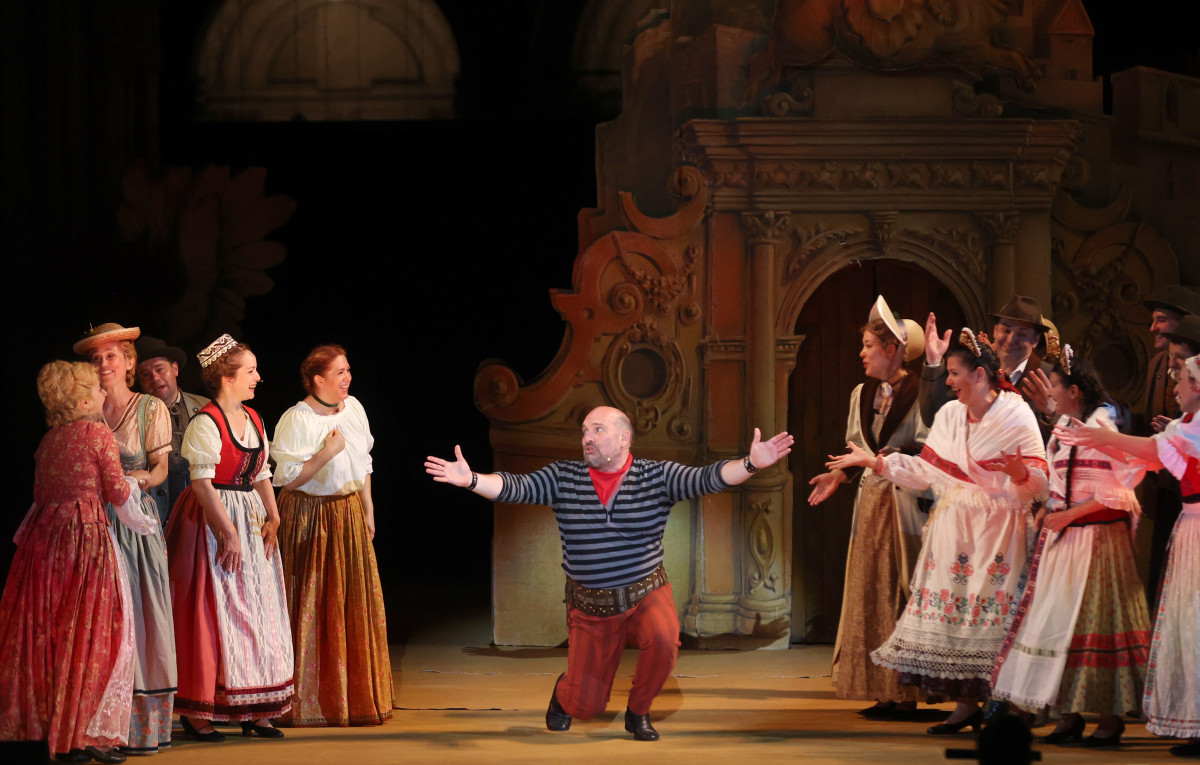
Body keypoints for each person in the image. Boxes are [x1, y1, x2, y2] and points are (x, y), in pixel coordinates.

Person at [425, 406, 793, 741]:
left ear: (624, 438)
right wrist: (472, 480)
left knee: (664, 640)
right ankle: (565, 694)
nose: (587, 437)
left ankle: (638, 711)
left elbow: (707, 478)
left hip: (646, 590)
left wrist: (751, 464)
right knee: (585, 706)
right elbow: (514, 487)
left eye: (598, 429)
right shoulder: (564, 477)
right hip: (592, 605)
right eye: (584, 431)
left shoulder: (656, 476)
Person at [828, 329, 1047, 735]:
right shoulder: (949, 416)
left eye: (954, 373)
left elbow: (1039, 481)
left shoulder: (1015, 413)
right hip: (955, 528)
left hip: (999, 529)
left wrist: (1019, 473)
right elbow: (926, 472)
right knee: (957, 615)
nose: (948, 381)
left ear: (979, 375)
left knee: (994, 616)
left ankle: (1007, 704)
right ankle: (966, 705)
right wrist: (875, 464)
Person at [991, 348, 1150, 747]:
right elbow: (1059, 485)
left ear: (1074, 391)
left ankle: (1109, 719)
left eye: (1055, 386)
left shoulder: (1102, 426)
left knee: (1096, 626)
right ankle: (1069, 714)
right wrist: (1045, 500)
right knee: (1059, 626)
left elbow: (1122, 489)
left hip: (1098, 540)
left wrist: (1070, 515)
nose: (1049, 394)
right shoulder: (1063, 429)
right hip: (1066, 540)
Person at [1055, 354, 1200, 758]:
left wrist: (1103, 438)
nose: (1175, 387)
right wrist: (1102, 443)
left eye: (1181, 380)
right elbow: (1149, 459)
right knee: (1188, 622)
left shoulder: (1196, 425)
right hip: (1191, 524)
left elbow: (1154, 447)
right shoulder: (1185, 424)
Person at [0, 362, 144, 764]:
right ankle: (79, 734)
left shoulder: (48, 441)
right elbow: (117, 492)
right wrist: (138, 480)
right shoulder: (98, 433)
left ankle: (55, 733)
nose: (104, 392)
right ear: (82, 402)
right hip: (85, 539)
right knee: (91, 633)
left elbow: (40, 494)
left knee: (53, 635)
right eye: (97, 389)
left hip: (44, 543)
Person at [165, 334, 294, 741]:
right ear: (227, 377)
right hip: (212, 519)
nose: (258, 377)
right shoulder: (205, 423)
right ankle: (199, 710)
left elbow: (261, 472)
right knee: (215, 610)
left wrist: (274, 515)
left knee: (257, 610)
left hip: (250, 519)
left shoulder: (253, 418)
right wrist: (228, 533)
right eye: (250, 371)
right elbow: (202, 483)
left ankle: (255, 708)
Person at [807, 296, 931, 718]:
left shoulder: (921, 393)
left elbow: (929, 451)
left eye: (868, 346)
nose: (862, 354)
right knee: (872, 590)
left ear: (892, 349)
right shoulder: (861, 393)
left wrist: (885, 460)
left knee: (900, 588)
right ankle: (882, 688)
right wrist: (840, 475)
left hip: (906, 503)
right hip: (872, 502)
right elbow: (858, 447)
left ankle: (908, 691)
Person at [270, 345, 392, 727]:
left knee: (349, 601)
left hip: (347, 512)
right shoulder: (296, 419)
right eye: (340, 372)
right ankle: (307, 701)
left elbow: (364, 463)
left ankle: (352, 698)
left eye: (348, 370)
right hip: (309, 515)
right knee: (311, 602)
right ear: (318, 380)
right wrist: (326, 453)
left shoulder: (353, 408)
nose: (347, 378)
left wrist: (368, 507)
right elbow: (287, 480)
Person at [75, 323, 177, 755]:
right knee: (103, 618)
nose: (104, 364)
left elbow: (160, 469)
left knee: (142, 610)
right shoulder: (84, 410)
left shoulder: (149, 408)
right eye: (96, 359)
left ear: (129, 362)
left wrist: (135, 481)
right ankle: (99, 727)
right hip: (95, 522)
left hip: (135, 523)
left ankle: (140, 727)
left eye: (112, 356)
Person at [1138, 287, 1200, 608]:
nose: (1154, 328)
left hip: (1192, 493)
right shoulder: (1158, 364)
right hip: (1165, 485)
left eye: (1161, 320)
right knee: (1163, 569)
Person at [920, 296, 1054, 434]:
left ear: (1035, 340)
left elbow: (1062, 440)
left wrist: (1050, 414)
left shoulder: (1051, 377)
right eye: (1006, 330)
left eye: (1021, 334)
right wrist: (933, 361)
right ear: (995, 331)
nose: (1011, 340)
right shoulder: (977, 369)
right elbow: (933, 418)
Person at [135, 335, 210, 524]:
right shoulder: (135, 416)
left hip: (202, 515)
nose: (155, 378)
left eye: (160, 369)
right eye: (145, 374)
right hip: (158, 518)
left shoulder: (205, 407)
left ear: (175, 368)